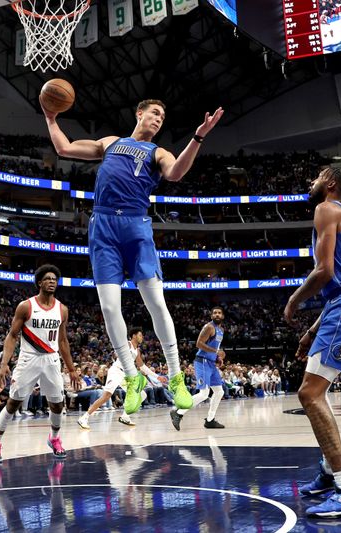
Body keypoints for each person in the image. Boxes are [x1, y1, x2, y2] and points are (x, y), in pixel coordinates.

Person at [41, 96, 223, 419]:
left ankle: (176, 376)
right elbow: (65, 149)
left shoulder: (159, 152)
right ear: (139, 113)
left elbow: (177, 172)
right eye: (154, 113)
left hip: (136, 226)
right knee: (110, 307)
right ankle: (131, 374)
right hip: (103, 225)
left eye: (162, 117)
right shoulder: (111, 142)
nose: (158, 119)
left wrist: (198, 137)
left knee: (156, 303)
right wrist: (51, 119)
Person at [283, 167, 341, 518]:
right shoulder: (338, 214)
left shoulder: (326, 208)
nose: (312, 182)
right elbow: (336, 284)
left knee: (309, 393)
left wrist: (294, 300)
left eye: (318, 176)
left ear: (331, 184)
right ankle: (327, 473)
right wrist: (310, 333)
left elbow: (324, 272)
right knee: (315, 393)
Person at [0, 265, 81, 463]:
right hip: (28, 358)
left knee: (57, 405)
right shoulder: (26, 306)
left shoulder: (62, 309)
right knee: (13, 403)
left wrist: (72, 369)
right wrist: (4, 363)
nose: (51, 281)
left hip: (51, 359)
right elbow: (12, 335)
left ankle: (54, 439)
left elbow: (63, 341)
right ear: (39, 282)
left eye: (54, 279)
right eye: (47, 278)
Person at [77, 326, 159, 430]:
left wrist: (157, 377)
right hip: (116, 371)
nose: (142, 337)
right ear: (133, 336)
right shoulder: (127, 344)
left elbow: (142, 366)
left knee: (142, 395)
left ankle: (125, 416)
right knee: (106, 396)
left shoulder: (137, 350)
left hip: (125, 375)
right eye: (140, 335)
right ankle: (84, 417)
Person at [171, 307, 227, 431]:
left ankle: (210, 420)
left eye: (219, 313)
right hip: (202, 362)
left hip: (211, 363)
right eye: (214, 313)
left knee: (219, 392)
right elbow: (199, 344)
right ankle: (178, 412)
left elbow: (213, 347)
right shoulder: (209, 327)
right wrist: (216, 352)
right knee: (204, 394)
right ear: (211, 316)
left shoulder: (221, 330)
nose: (217, 315)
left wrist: (217, 357)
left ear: (222, 316)